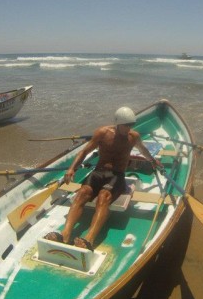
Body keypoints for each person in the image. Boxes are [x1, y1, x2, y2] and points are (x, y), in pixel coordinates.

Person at [46, 107, 160, 251]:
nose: (129, 128)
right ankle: (65, 234)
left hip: (117, 175)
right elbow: (84, 151)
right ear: (118, 123)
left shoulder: (133, 137)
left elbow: (143, 150)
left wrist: (153, 161)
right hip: (98, 172)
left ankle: (89, 239)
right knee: (81, 194)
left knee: (103, 197)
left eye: (131, 125)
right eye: (126, 125)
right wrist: (71, 168)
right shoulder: (103, 133)